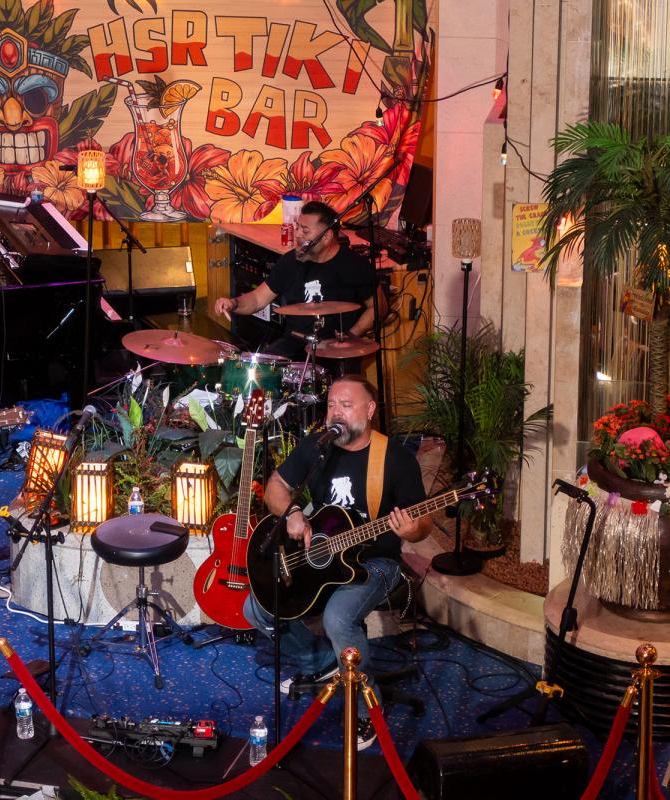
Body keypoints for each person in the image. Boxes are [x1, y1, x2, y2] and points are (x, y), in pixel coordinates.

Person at [242, 374, 430, 749]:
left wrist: (411, 529)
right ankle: (323, 663)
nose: (335, 413)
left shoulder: (395, 459)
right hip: (322, 556)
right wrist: (294, 513)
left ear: (370, 410)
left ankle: (366, 709)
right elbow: (276, 486)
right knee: (256, 609)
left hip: (375, 561)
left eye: (346, 405)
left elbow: (422, 525)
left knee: (338, 618)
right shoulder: (318, 447)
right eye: (331, 405)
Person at [212, 200, 378, 360]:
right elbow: (257, 299)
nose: (298, 234)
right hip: (295, 344)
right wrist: (233, 303)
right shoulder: (290, 262)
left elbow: (377, 307)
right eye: (298, 227)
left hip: (337, 349)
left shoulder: (354, 265)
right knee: (261, 369)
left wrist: (352, 335)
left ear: (327, 236)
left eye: (305, 231)